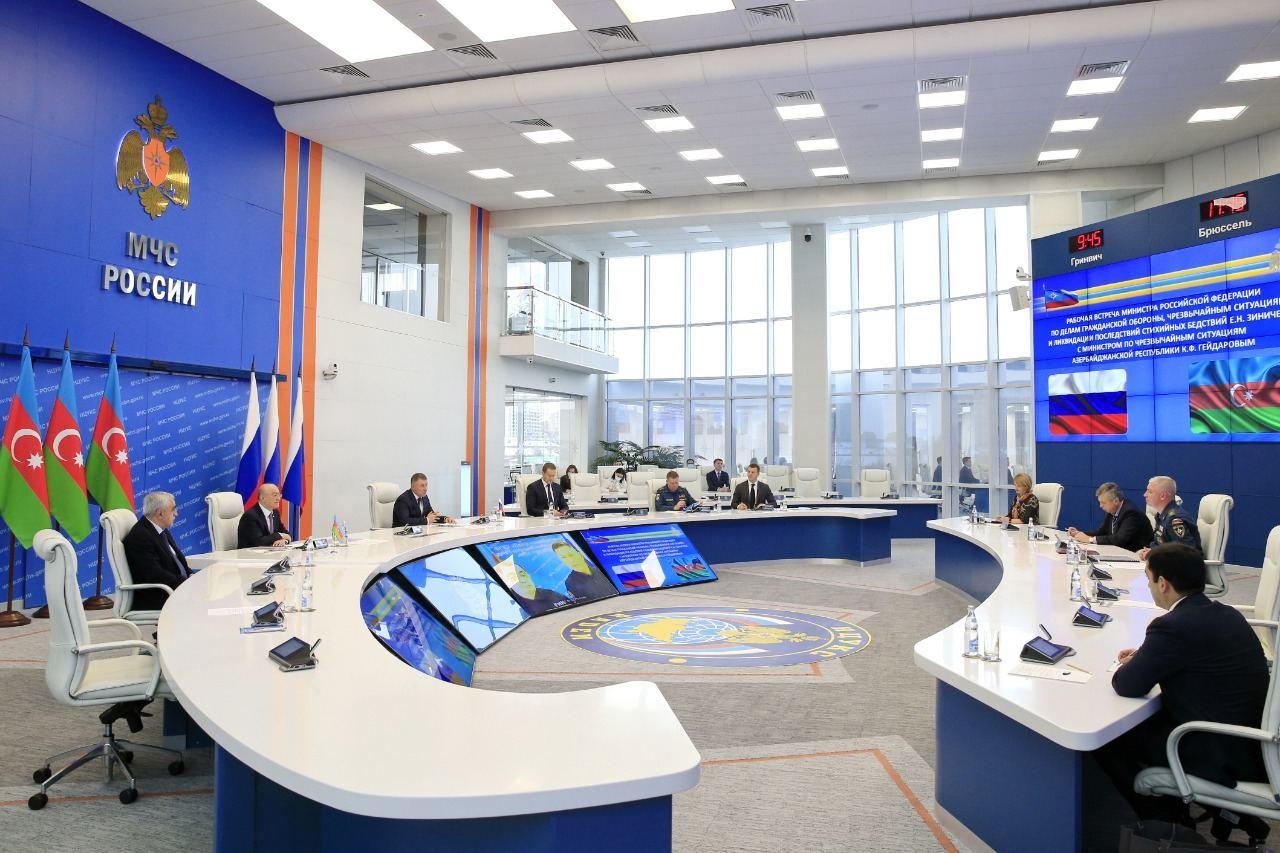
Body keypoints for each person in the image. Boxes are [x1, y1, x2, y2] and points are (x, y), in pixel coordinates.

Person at [1093, 545, 1268, 832]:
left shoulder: (1172, 626)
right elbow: (1195, 655)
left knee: (1109, 741)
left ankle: (1170, 826)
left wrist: (1144, 658)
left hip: (1214, 750)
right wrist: (1148, 654)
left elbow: (1126, 684)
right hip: (1250, 744)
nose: (1149, 586)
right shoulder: (1227, 614)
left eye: (1149, 579)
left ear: (1163, 583)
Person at [122, 490, 192, 611]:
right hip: (157, 597)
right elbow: (155, 574)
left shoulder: (161, 529)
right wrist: (185, 583)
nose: (176, 514)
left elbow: (177, 562)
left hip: (175, 590)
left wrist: (191, 575)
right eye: (173, 509)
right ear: (160, 513)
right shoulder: (140, 536)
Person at [1067, 483, 1153, 552]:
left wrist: (1089, 539)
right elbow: (1101, 532)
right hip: (1119, 552)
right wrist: (1078, 533)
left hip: (1136, 555)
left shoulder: (1131, 512)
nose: (1100, 506)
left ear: (1115, 501)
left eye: (1103, 503)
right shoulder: (1112, 510)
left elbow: (1120, 539)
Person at [1138, 476, 1201, 560]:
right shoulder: (1162, 515)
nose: (1145, 494)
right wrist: (1152, 550)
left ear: (1163, 496)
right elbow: (1162, 543)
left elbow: (1186, 553)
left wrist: (1153, 554)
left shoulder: (1175, 520)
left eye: (1150, 492)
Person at [237, 483, 291, 548]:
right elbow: (259, 542)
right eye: (275, 495)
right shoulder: (250, 516)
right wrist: (280, 535)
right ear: (262, 498)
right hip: (249, 553)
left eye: (279, 495)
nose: (278, 498)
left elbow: (287, 534)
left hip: (268, 552)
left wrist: (284, 541)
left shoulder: (275, 513)